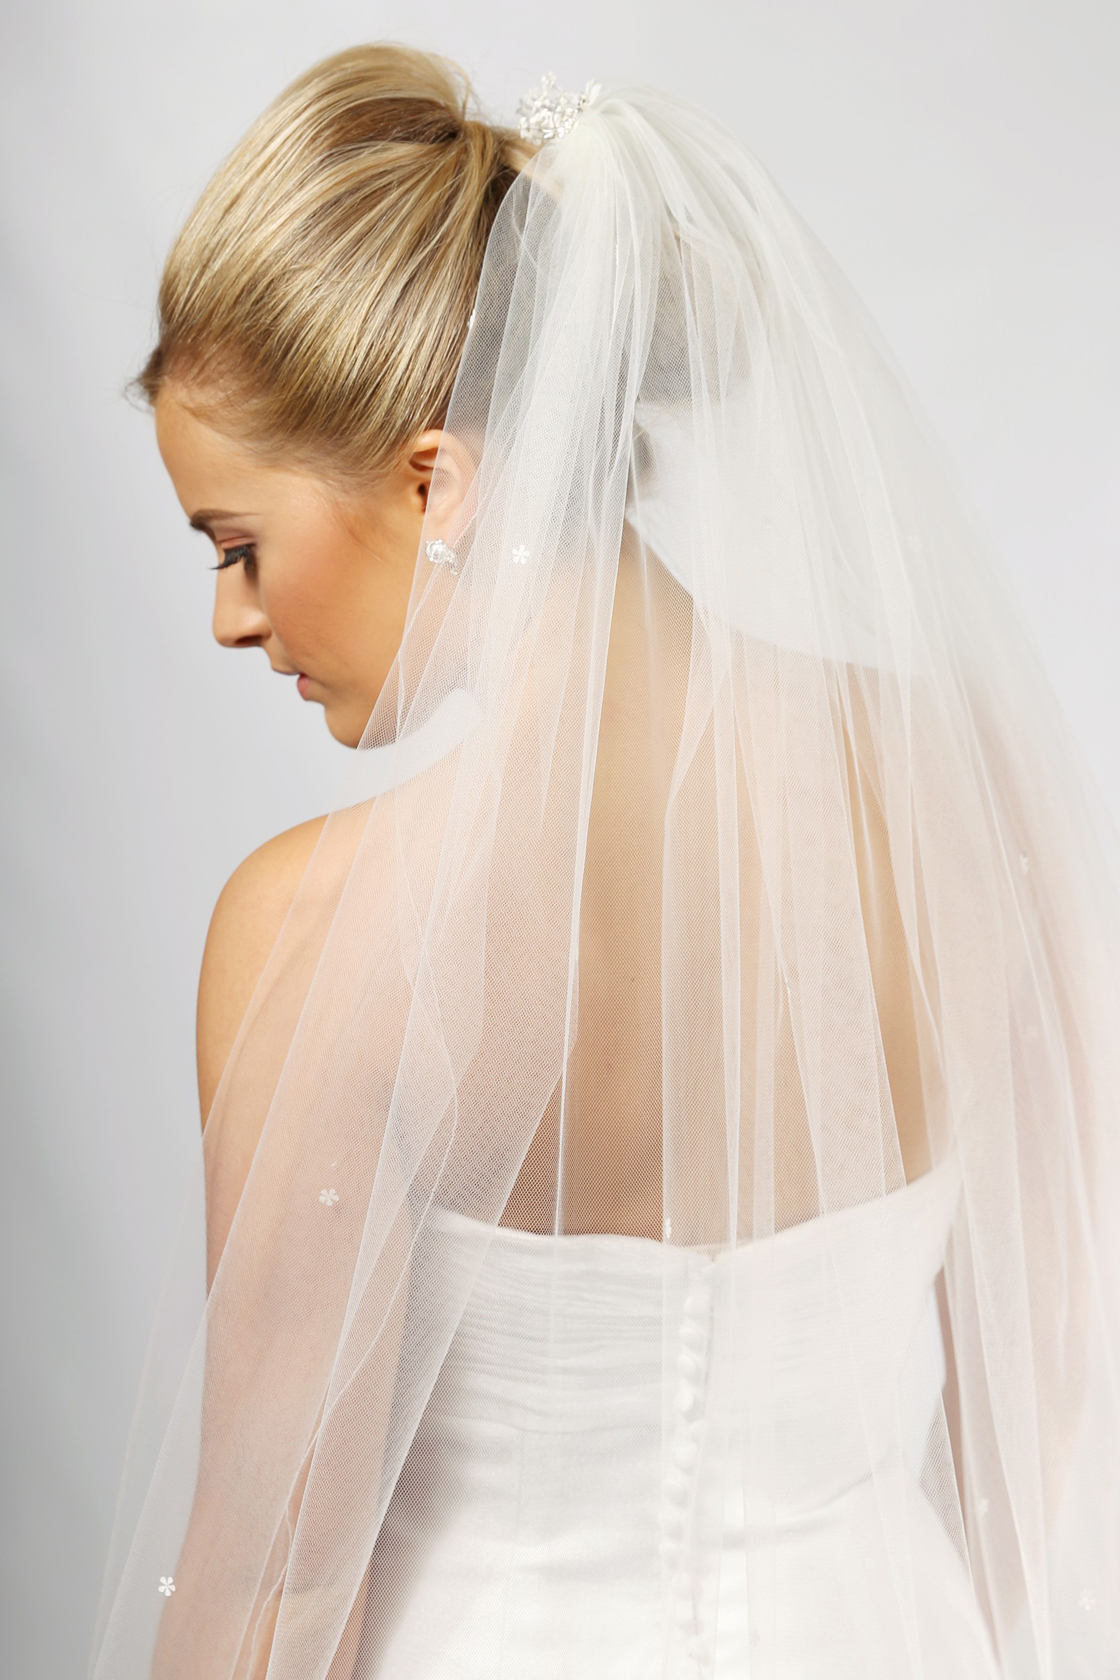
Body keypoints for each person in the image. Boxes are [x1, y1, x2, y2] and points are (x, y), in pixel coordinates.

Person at [87, 43, 1120, 1680]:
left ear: (435, 480)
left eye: (240, 546)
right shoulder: (965, 785)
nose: (232, 618)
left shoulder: (319, 933)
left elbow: (279, 1586)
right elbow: (1036, 1368)